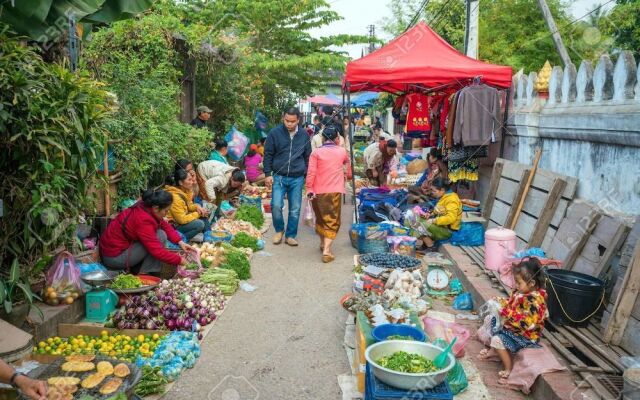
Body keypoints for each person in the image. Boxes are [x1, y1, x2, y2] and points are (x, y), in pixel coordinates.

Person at [479, 258, 548, 383]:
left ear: (532, 283)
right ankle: (493, 352)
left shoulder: (535, 301)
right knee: (491, 319)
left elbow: (527, 323)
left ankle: (508, 368)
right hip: (513, 329)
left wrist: (506, 313)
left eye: (519, 282)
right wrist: (499, 302)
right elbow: (510, 305)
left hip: (525, 336)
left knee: (497, 339)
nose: (516, 285)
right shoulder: (520, 292)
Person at [100, 189, 195, 274]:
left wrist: (180, 242)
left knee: (160, 234)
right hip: (114, 258)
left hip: (121, 249)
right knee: (160, 237)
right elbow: (157, 251)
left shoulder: (147, 206)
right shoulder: (143, 219)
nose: (166, 214)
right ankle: (145, 274)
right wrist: (180, 260)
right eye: (166, 211)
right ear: (156, 208)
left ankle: (142, 269)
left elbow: (163, 224)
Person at [264, 107, 312, 246]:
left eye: (292, 121)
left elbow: (308, 156)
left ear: (298, 120)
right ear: (283, 118)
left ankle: (291, 235)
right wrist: (267, 174)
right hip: (279, 176)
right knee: (276, 205)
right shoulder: (274, 133)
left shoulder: (304, 135)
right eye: (287, 121)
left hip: (297, 178)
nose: (289, 124)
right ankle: (279, 230)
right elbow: (268, 154)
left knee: (295, 208)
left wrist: (307, 174)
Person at [306, 125, 351, 263]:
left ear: (323, 138)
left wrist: (308, 189)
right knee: (332, 220)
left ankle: (322, 243)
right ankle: (326, 251)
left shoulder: (316, 153)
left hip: (317, 191)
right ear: (337, 138)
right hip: (334, 191)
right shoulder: (342, 151)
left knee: (320, 218)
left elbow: (311, 172)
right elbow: (347, 163)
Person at [165, 169, 211, 242]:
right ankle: (180, 240)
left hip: (182, 219)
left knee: (202, 213)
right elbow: (181, 220)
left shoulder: (184, 190)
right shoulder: (175, 197)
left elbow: (189, 205)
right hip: (175, 226)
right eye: (189, 180)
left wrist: (197, 207)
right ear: (180, 182)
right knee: (199, 224)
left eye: (191, 179)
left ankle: (208, 236)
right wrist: (198, 213)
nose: (192, 182)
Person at [420, 178, 462, 249]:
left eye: (434, 191)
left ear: (442, 190)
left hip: (448, 231)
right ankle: (427, 243)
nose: (432, 193)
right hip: (441, 226)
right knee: (415, 219)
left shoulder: (452, 199)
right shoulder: (443, 197)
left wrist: (434, 220)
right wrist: (430, 214)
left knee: (419, 225)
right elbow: (439, 210)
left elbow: (450, 218)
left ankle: (431, 246)